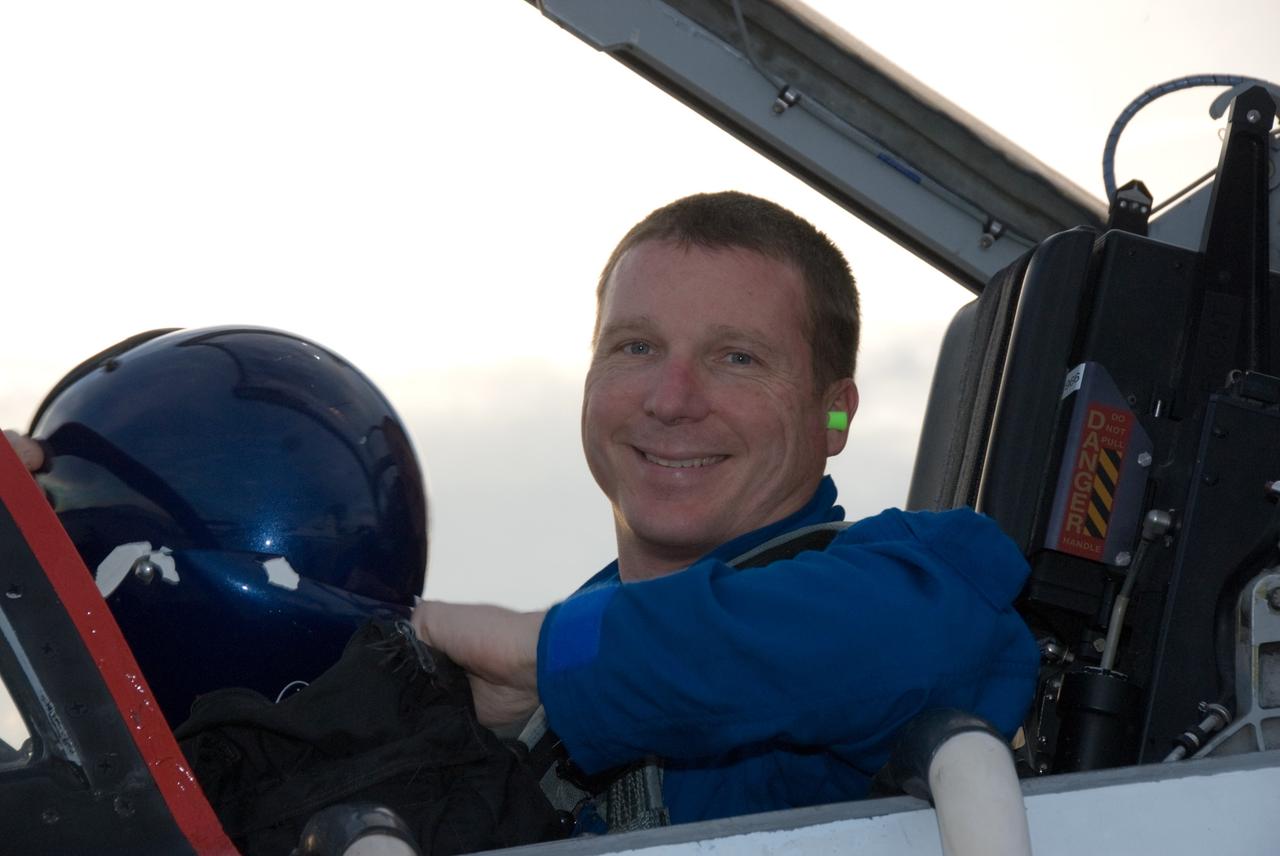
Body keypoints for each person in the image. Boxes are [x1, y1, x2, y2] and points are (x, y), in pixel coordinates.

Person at [412, 191, 1040, 827]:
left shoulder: (912, 592)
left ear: (835, 414)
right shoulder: (525, 694)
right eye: (636, 347)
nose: (671, 399)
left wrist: (543, 652)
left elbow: (920, 633)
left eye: (737, 358)